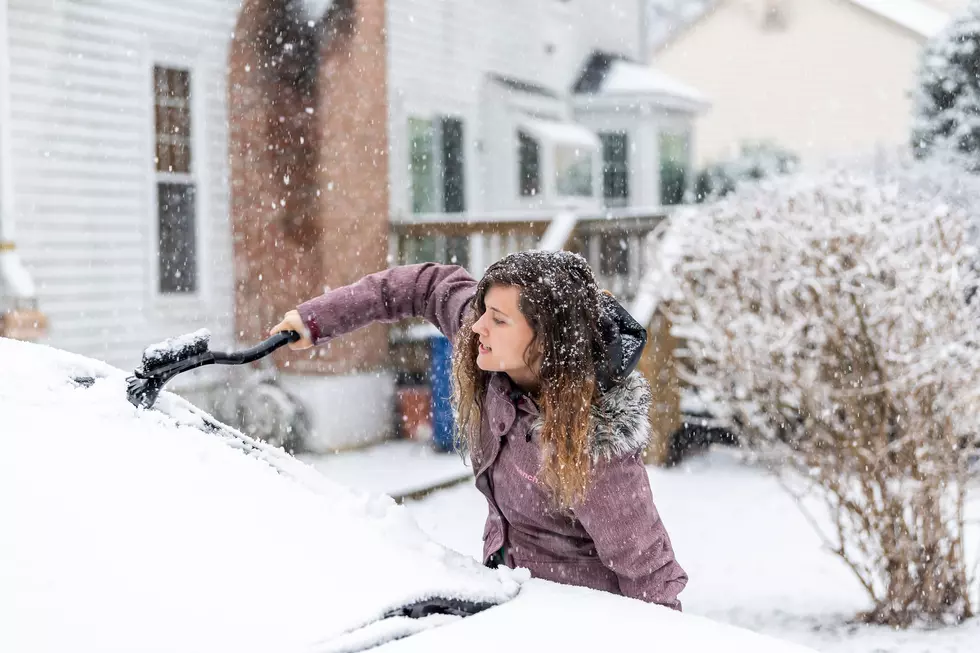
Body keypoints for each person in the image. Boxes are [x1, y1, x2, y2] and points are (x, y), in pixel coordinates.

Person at [271, 250, 688, 609]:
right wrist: (317, 319)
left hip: (577, 622)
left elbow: (649, 573)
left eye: (499, 319)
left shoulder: (595, 447)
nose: (477, 327)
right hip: (508, 604)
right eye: (483, 310)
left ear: (548, 342)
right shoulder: (488, 354)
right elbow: (426, 285)